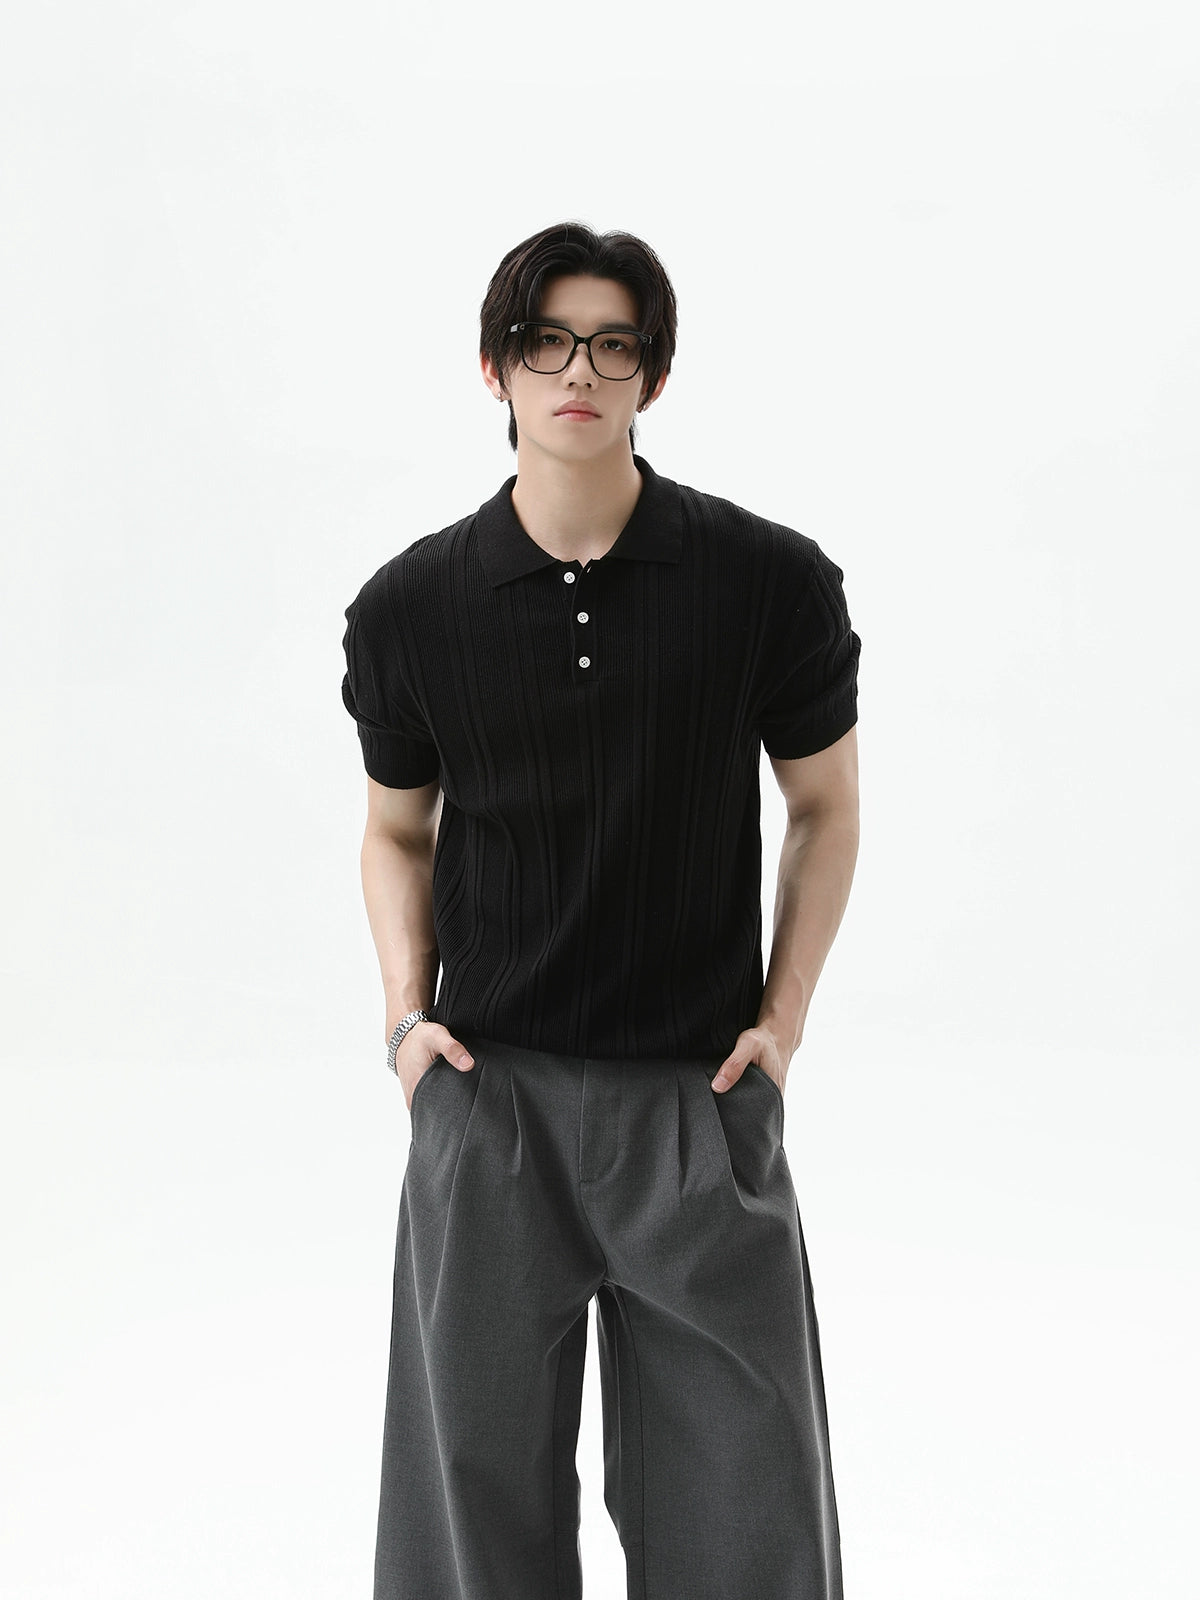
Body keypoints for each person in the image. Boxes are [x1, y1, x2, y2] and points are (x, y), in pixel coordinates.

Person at [341, 220, 861, 1600]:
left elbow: (825, 807)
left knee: (749, 1513)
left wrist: (782, 1027)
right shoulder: (410, 607)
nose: (578, 370)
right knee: (469, 1516)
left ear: (653, 375)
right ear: (495, 368)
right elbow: (395, 830)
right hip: (487, 1101)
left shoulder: (767, 583)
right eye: (546, 342)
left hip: (697, 1098)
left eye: (612, 344)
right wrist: (404, 1026)